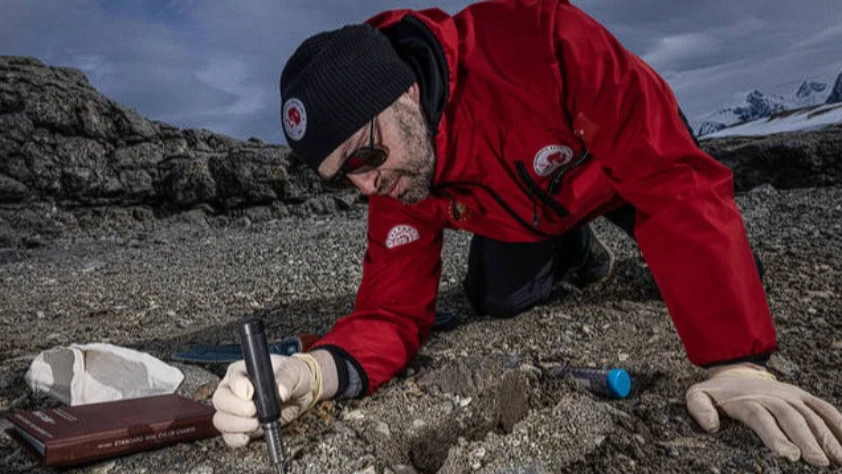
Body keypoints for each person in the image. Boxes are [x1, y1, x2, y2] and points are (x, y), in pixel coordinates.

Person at [212, 0, 842, 466]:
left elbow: (673, 180)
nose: (367, 186)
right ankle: (577, 250)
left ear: (405, 92)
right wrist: (312, 373)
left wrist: (736, 361)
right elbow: (390, 313)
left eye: (364, 157)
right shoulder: (401, 175)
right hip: (529, 215)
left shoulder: (542, 40)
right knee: (496, 299)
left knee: (719, 268)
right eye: (343, 178)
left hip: (617, 171)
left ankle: (620, 246)